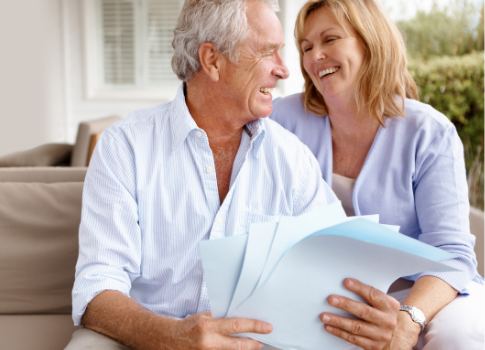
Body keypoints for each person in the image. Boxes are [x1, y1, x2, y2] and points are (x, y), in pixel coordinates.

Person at [65, 0, 403, 349]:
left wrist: (371, 316)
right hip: (145, 337)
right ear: (212, 60)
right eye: (268, 52)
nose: (285, 70)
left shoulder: (291, 159)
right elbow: (97, 288)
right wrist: (168, 337)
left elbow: (336, 269)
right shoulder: (125, 146)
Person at [270, 0, 484, 349]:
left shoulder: (429, 132)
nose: (314, 56)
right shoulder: (282, 119)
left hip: (422, 288)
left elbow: (452, 254)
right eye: (306, 47)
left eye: (329, 39)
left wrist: (408, 319)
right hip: (325, 287)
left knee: (458, 338)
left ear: (370, 41)